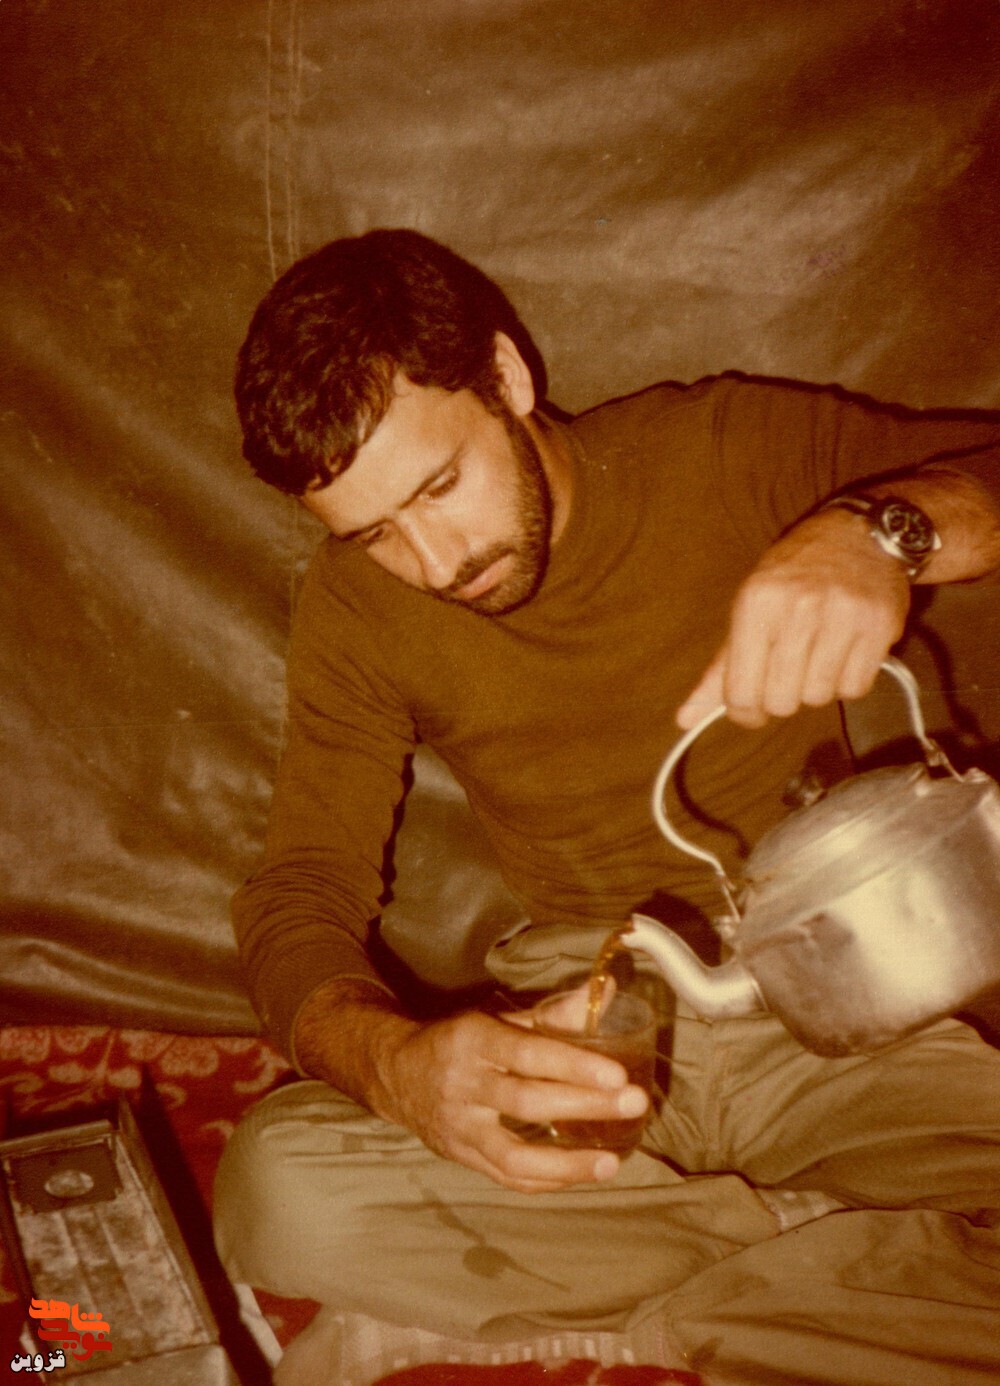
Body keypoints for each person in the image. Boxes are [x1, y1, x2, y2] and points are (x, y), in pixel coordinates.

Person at [215, 228, 1000, 1384]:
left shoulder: (723, 446)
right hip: (590, 1016)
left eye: (440, 486)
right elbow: (301, 889)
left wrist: (881, 532)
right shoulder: (356, 614)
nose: (434, 562)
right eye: (375, 533)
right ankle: (828, 1268)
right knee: (276, 1195)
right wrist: (394, 1067)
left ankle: (635, 1307)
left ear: (505, 378)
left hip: (835, 989)